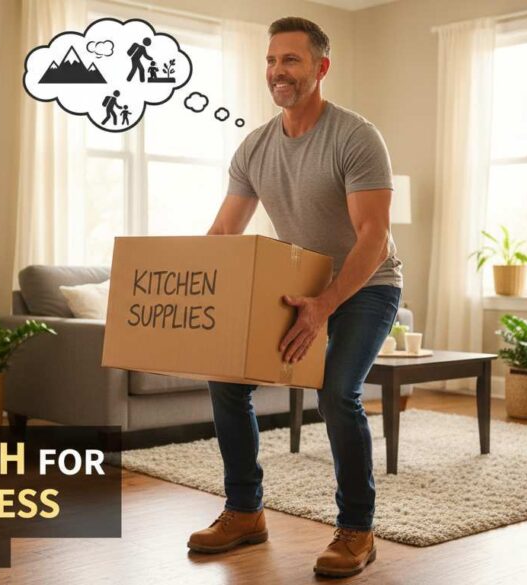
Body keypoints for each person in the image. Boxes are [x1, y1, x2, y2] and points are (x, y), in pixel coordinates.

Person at [187, 16, 402, 579]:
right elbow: (222, 234)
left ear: (321, 68)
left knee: (337, 394)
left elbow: (373, 239)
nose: (277, 71)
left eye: (291, 61)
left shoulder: (356, 137)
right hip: (297, 282)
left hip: (367, 284)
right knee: (224, 376)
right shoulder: (255, 147)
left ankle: (357, 529)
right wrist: (189, 296)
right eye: (271, 61)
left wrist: (325, 305)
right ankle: (244, 512)